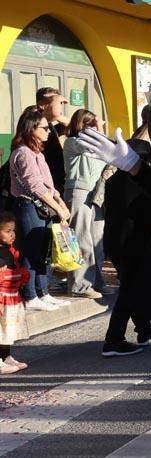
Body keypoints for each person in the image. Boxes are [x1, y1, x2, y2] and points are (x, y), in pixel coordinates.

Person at [86, 108, 151, 356]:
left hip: (115, 239)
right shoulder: (139, 180)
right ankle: (114, 340)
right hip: (134, 240)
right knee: (130, 289)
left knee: (132, 284)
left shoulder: (116, 179)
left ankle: (144, 329)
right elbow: (148, 210)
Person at [9, 106, 71, 311]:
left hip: (43, 207)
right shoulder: (23, 153)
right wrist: (58, 208)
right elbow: (35, 187)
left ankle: (43, 292)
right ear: (31, 129)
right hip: (29, 205)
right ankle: (30, 295)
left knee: (43, 251)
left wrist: (60, 202)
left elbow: (48, 184)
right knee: (31, 251)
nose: (48, 131)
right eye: (44, 128)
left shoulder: (36, 153)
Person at [63, 109, 111, 299]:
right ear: (80, 125)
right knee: (82, 239)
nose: (93, 128)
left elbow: (107, 150)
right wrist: (99, 128)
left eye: (94, 124)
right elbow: (90, 146)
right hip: (79, 191)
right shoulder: (72, 142)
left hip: (97, 194)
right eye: (88, 124)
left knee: (97, 241)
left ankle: (97, 281)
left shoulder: (94, 143)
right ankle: (79, 285)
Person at [0, 212, 30, 373]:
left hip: (11, 296)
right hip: (1, 297)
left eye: (13, 230)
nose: (12, 234)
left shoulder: (9, 250)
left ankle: (6, 356)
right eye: (7, 231)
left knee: (7, 329)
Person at [35, 88, 68, 197]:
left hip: (57, 176)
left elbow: (73, 126)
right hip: (42, 179)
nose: (59, 105)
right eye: (53, 101)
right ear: (41, 105)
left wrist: (57, 115)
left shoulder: (51, 125)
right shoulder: (32, 119)